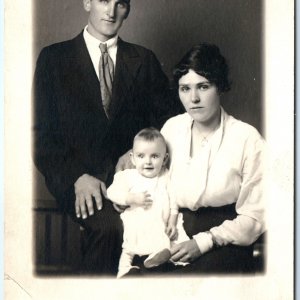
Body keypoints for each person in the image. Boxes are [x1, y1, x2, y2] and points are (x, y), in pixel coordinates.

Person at [33, 0, 179, 275]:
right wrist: (77, 176)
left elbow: (169, 122)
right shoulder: (54, 58)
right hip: (76, 180)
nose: (111, 11)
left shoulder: (143, 59)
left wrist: (135, 152)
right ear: (87, 2)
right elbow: (41, 136)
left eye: (120, 3)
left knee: (161, 229)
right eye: (102, 0)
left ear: (128, 9)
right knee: (110, 229)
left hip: (134, 179)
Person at [158, 43, 266, 273]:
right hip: (174, 231)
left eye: (203, 86)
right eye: (185, 89)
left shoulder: (248, 138)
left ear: (220, 87)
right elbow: (158, 183)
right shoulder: (171, 129)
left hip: (227, 239)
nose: (193, 98)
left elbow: (256, 216)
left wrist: (204, 241)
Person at [107, 128, 189, 278]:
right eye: (141, 156)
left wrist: (172, 221)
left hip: (161, 221)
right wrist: (131, 198)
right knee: (129, 246)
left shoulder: (165, 176)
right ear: (132, 158)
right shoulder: (128, 176)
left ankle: (162, 258)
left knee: (169, 238)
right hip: (137, 219)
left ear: (164, 159)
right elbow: (111, 192)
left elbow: (173, 201)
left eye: (155, 156)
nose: (148, 162)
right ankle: (124, 270)